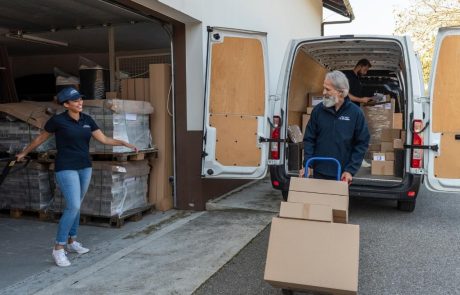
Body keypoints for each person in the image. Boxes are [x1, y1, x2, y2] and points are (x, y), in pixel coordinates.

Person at [16, 87, 138, 267]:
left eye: (80, 99)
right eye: (75, 101)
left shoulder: (87, 120)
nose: (80, 103)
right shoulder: (57, 121)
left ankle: (72, 242)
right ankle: (58, 248)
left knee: (77, 205)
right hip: (65, 167)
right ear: (66, 104)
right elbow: (40, 139)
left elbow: (103, 139)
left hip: (85, 167)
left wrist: (123, 143)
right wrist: (23, 152)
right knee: (72, 205)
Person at [300, 71, 370, 184]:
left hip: (342, 174)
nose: (323, 92)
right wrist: (308, 164)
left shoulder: (356, 113)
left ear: (340, 92)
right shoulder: (318, 110)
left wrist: (350, 170)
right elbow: (309, 139)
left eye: (327, 89)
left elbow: (361, 143)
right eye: (324, 88)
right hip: (318, 172)